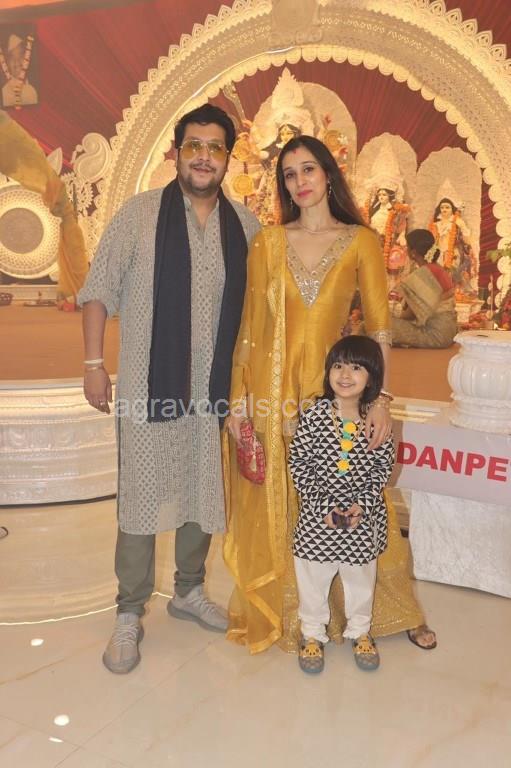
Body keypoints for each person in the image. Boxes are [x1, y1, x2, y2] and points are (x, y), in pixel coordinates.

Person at [224, 135, 436, 655]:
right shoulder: (268, 242)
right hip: (274, 390)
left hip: (339, 389)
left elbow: (379, 329)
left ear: (328, 174)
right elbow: (249, 328)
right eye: (289, 174)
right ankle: (296, 613)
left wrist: (380, 400)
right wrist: (239, 400)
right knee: (288, 495)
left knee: (359, 493)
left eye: (308, 170)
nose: (299, 182)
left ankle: (391, 611)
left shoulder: (360, 241)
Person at [78, 104, 260, 674]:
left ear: (228, 158)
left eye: (215, 147)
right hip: (147, 385)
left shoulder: (245, 226)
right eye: (194, 145)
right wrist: (93, 363)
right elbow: (98, 291)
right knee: (140, 498)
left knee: (202, 488)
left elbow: (259, 315)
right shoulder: (138, 215)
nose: (204, 157)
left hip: (212, 393)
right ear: (176, 152)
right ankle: (129, 610)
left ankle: (188, 590)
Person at [290, 336, 395, 674]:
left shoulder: (376, 419)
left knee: (360, 578)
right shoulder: (314, 416)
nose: (345, 375)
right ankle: (311, 633)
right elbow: (299, 464)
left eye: (356, 367)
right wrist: (323, 508)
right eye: (338, 366)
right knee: (312, 577)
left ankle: (360, 631)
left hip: (361, 520)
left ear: (372, 375)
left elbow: (382, 467)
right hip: (317, 519)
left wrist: (361, 505)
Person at [392, 229, 457, 348]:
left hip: (435, 335)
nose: (405, 250)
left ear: (413, 252)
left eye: (407, 247)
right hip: (451, 332)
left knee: (379, 324)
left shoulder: (423, 273)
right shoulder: (438, 269)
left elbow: (411, 315)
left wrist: (392, 315)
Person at [429, 197, 476, 295]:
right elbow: (432, 241)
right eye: (442, 207)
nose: (444, 210)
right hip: (438, 253)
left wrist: (462, 226)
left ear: (452, 209)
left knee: (453, 275)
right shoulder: (435, 224)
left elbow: (467, 241)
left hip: (453, 253)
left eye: (447, 207)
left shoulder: (457, 222)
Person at [0, 33, 38, 109]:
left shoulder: (33, 92)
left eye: (20, 55)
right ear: (7, 63)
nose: (16, 62)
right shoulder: (3, 94)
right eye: (12, 57)